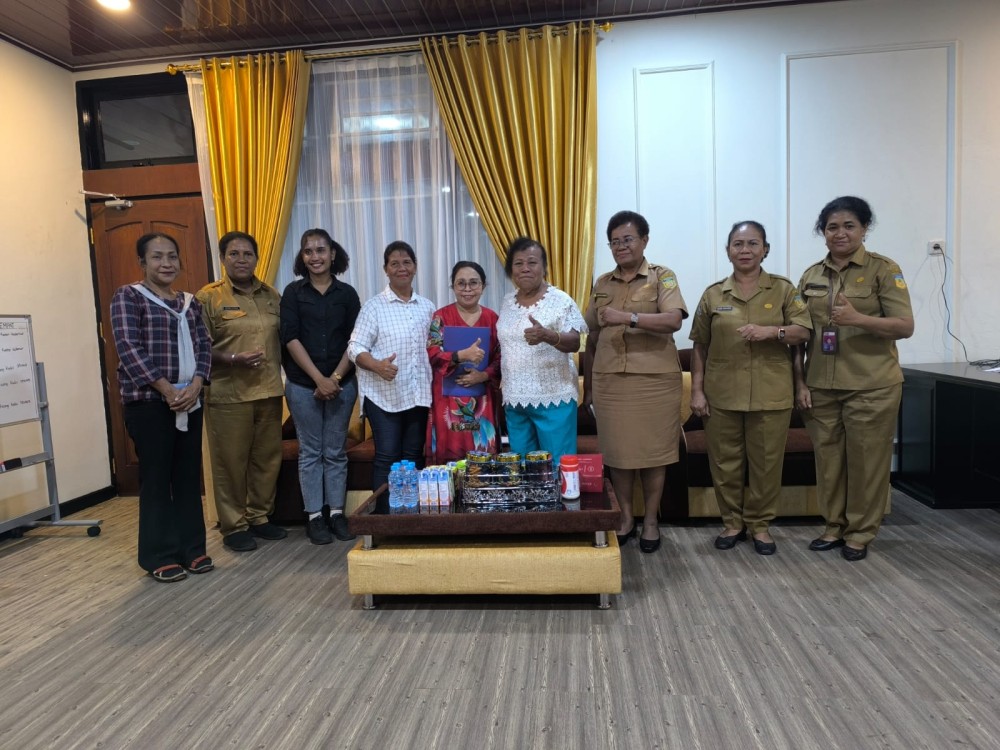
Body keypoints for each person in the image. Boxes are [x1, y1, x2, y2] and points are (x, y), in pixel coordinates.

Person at [794, 196, 913, 561]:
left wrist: (858, 319)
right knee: (828, 462)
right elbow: (801, 333)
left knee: (866, 462)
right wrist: (800, 382)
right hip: (821, 386)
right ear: (823, 232)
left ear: (864, 229)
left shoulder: (884, 270)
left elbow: (904, 326)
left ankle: (860, 533)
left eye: (849, 226)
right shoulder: (811, 275)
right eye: (832, 227)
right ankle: (834, 526)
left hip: (871, 385)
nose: (840, 233)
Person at [689, 221, 812, 556]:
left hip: (772, 393)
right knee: (724, 463)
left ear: (765, 249)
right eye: (738, 244)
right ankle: (732, 523)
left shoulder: (783, 289)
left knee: (766, 464)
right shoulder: (713, 294)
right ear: (728, 250)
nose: (745, 250)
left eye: (753, 244)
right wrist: (697, 391)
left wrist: (772, 332)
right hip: (722, 394)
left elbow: (803, 331)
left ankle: (760, 525)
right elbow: (700, 345)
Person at [110, 232, 213, 582]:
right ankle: (159, 555)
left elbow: (204, 345)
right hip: (150, 403)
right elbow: (128, 347)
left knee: (187, 476)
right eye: (157, 257)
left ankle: (192, 550)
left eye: (172, 256)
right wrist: (168, 390)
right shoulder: (128, 296)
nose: (166, 263)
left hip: (190, 401)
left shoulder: (190, 302)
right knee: (157, 479)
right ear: (142, 263)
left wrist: (196, 385)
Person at [583, 210, 688, 554]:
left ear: (644, 240)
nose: (621, 246)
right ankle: (626, 517)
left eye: (627, 239)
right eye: (614, 242)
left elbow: (673, 320)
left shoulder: (662, 277)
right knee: (618, 455)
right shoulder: (602, 283)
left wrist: (628, 317)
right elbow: (590, 332)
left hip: (654, 381)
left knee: (655, 455)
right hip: (611, 381)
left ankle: (652, 521)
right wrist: (589, 386)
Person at [196, 231, 286, 553]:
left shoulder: (272, 295)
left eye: (247, 254)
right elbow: (198, 348)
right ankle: (234, 525)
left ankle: (259, 516)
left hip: (269, 392)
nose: (241, 260)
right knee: (230, 464)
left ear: (257, 258)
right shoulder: (208, 298)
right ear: (223, 259)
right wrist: (233, 358)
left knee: (267, 461)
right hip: (228, 395)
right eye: (234, 254)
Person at [280, 229, 361, 545]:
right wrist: (319, 379)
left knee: (336, 451)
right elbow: (290, 338)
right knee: (311, 452)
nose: (315, 257)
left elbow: (356, 341)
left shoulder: (347, 294)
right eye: (308, 251)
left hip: (342, 384)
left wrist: (335, 379)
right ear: (302, 257)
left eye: (321, 250)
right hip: (303, 386)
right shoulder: (293, 293)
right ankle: (315, 516)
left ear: (332, 253)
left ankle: (337, 513)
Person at [349, 241, 436, 493]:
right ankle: (383, 513)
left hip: (418, 396)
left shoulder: (428, 307)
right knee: (387, 457)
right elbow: (354, 347)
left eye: (406, 262)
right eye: (394, 263)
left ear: (415, 267)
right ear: (386, 269)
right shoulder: (373, 307)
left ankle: (410, 512)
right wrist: (377, 365)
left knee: (413, 457)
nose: (401, 268)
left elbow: (436, 348)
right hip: (384, 397)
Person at [496, 237, 587, 471]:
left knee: (558, 469)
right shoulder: (507, 302)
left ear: (544, 267)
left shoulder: (561, 300)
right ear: (511, 270)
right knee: (523, 470)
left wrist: (548, 335)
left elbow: (575, 342)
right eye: (518, 263)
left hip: (554, 397)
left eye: (532, 262)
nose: (525, 268)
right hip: (515, 400)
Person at [426, 261, 502, 463]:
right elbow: (432, 353)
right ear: (453, 286)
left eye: (473, 283)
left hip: (482, 399)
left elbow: (501, 357)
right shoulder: (440, 317)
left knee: (482, 456)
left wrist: (483, 375)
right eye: (461, 283)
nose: (467, 289)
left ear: (483, 286)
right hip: (446, 399)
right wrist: (461, 356)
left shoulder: (492, 319)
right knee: (448, 457)